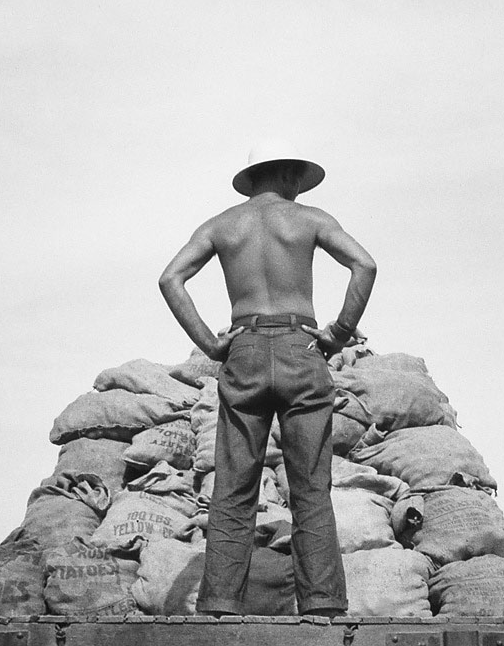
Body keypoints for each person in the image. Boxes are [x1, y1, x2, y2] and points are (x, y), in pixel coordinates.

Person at [158, 140, 377, 617]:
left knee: (234, 487)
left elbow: (170, 278)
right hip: (302, 349)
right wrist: (338, 333)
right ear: (286, 175)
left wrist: (213, 344)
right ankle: (321, 604)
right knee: (310, 488)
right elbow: (365, 263)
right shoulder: (310, 219)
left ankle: (218, 603)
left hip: (245, 349)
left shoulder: (221, 225)